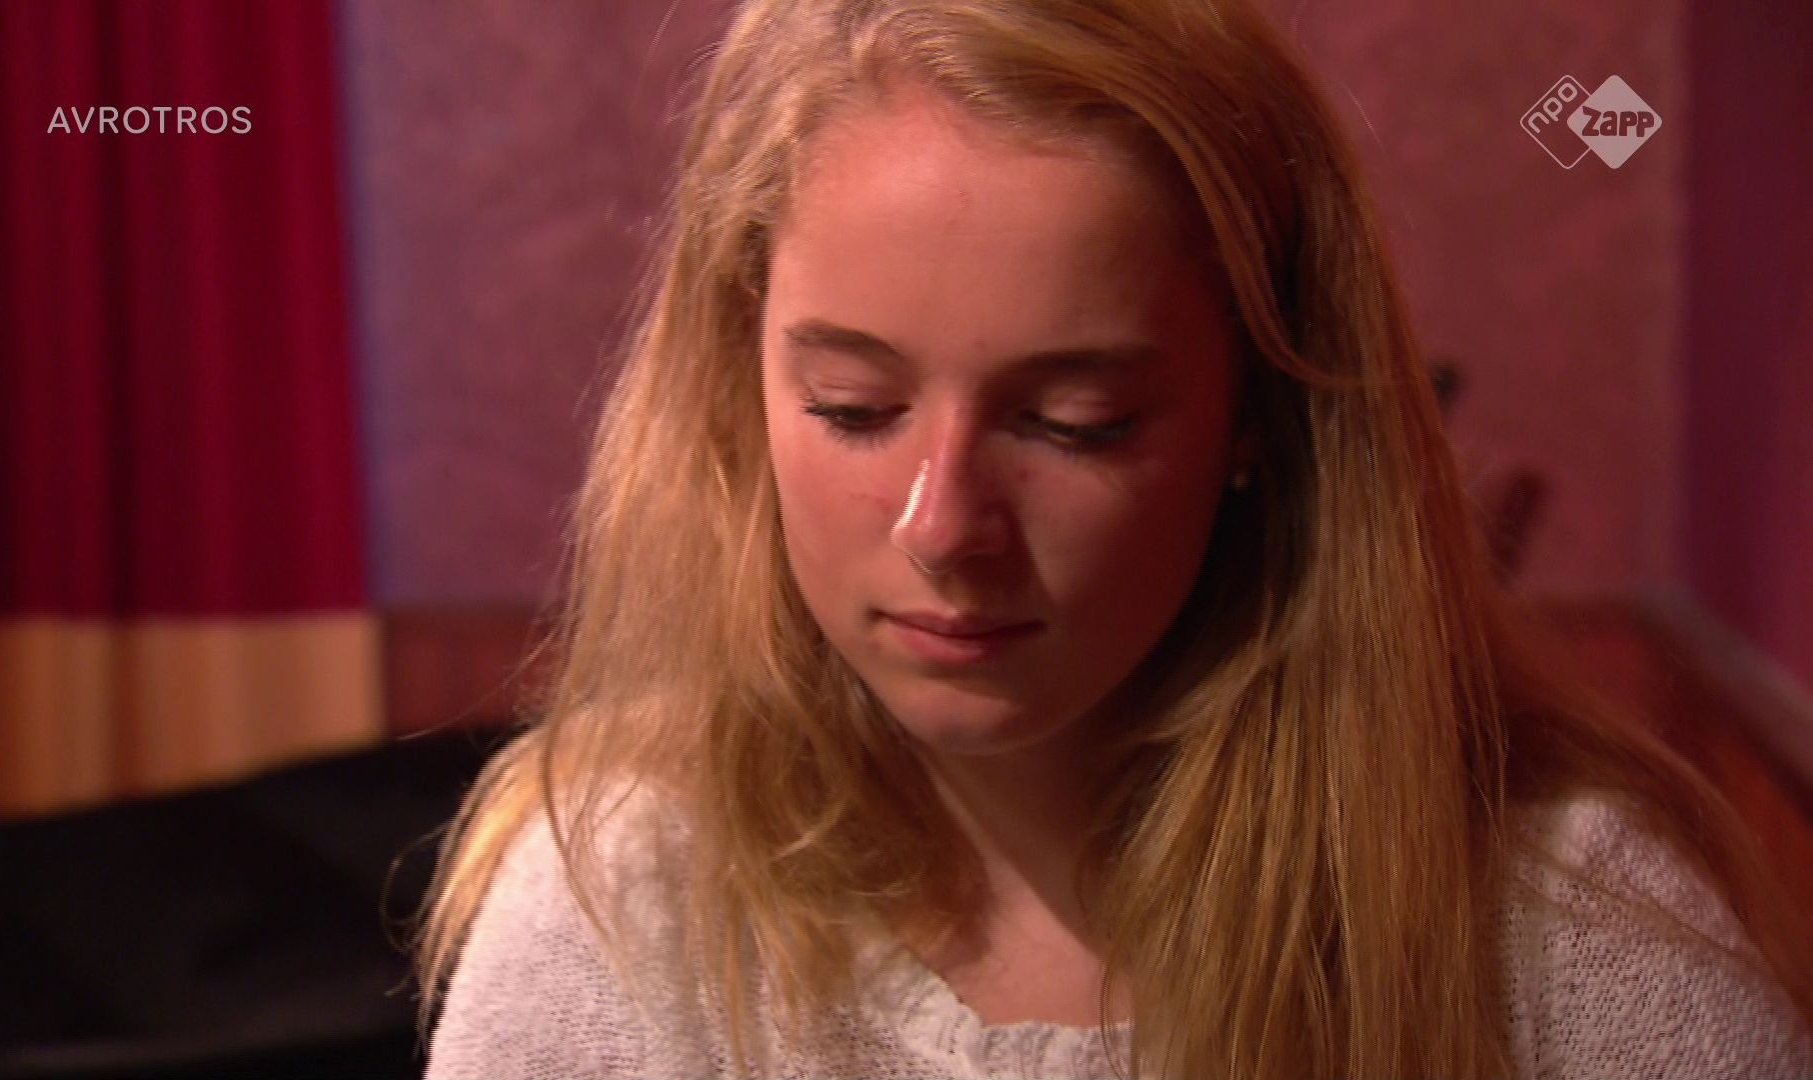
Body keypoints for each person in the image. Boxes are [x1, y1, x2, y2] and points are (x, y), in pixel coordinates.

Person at [416, 1, 1813, 1077]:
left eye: (1074, 422)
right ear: (743, 375)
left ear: (1259, 414)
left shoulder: (1566, 943)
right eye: (854, 408)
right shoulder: (612, 906)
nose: (943, 525)